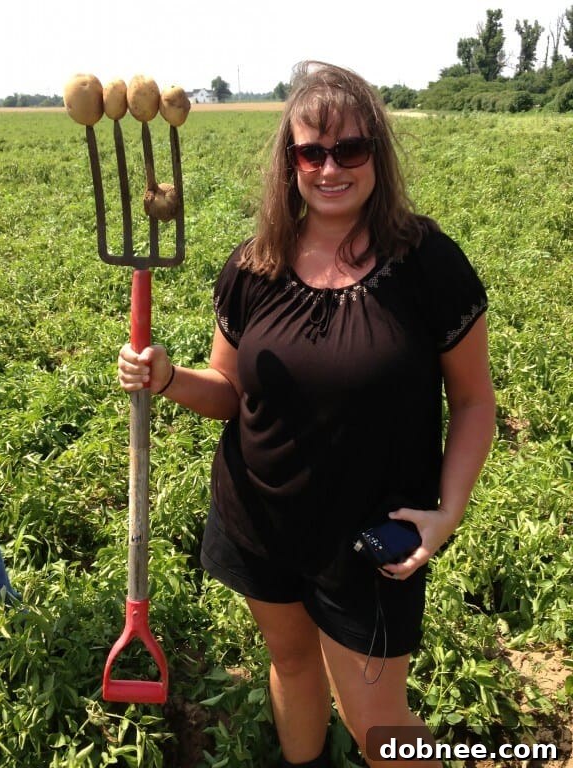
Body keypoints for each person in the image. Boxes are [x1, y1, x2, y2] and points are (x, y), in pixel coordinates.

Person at [118, 61, 496, 767]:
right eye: (311, 152)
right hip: (259, 521)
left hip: (373, 540)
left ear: (376, 156)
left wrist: (449, 511)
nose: (330, 168)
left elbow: (474, 401)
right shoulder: (254, 266)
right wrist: (168, 378)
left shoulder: (427, 263)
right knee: (291, 667)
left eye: (350, 150)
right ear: (288, 162)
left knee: (377, 721)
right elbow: (229, 392)